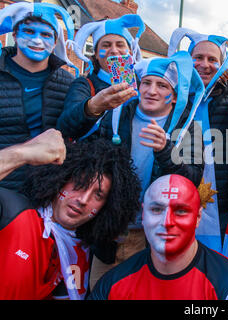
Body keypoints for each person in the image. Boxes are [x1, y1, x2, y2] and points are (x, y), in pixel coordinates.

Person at [59, 50, 205, 289]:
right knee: (101, 291)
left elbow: (193, 179)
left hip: (154, 237)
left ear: (174, 94)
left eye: (162, 85)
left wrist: (166, 151)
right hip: (110, 232)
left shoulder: (188, 127)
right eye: (146, 83)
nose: (151, 91)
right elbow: (76, 139)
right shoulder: (116, 115)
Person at [0, 137, 141, 299]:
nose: (83, 199)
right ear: (61, 179)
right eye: (80, 184)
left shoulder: (81, 252)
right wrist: (21, 154)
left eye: (98, 195)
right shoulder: (13, 212)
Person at [88, 174, 228, 300]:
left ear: (197, 218)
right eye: (156, 209)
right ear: (143, 215)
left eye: (180, 211)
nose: (167, 222)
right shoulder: (112, 285)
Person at [168, 28, 228, 254]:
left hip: (222, 203)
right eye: (197, 58)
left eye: (212, 60)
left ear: (223, 65)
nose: (204, 64)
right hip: (177, 201)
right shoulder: (173, 96)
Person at [0, 2, 76, 191]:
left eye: (46, 35)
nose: (37, 40)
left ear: (55, 41)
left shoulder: (67, 82)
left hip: (46, 189)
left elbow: (74, 127)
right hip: (4, 186)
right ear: (15, 35)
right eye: (29, 31)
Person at [57, 14, 144, 140]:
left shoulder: (144, 85)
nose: (114, 51)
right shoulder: (84, 85)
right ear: (96, 54)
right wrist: (91, 107)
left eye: (120, 45)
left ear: (130, 52)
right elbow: (64, 127)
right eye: (106, 45)